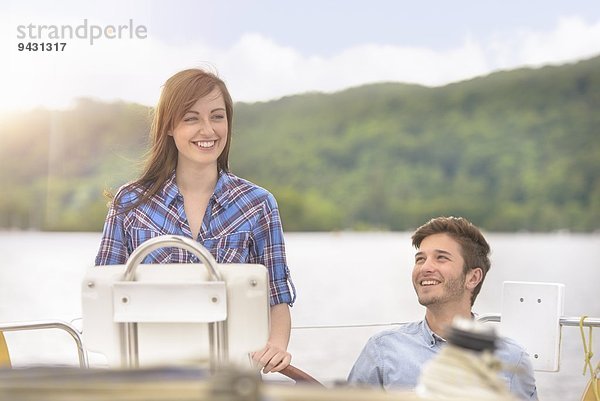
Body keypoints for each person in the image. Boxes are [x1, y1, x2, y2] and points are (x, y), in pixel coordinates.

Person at [95, 68, 295, 374]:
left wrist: (276, 347)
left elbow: (277, 300)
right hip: (148, 376)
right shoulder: (130, 203)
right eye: (192, 118)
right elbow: (102, 294)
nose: (208, 130)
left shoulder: (258, 205)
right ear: (170, 127)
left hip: (229, 381)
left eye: (217, 116)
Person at [347, 216, 538, 400]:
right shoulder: (382, 349)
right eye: (420, 259)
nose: (425, 267)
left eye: (441, 258)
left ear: (473, 278)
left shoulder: (512, 357)